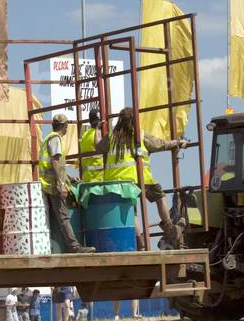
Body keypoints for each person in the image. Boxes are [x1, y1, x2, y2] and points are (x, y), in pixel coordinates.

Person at [95, 108, 188, 248]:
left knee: (133, 211)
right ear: (134, 120)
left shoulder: (111, 136)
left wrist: (97, 129)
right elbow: (160, 144)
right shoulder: (139, 134)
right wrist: (177, 142)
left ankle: (140, 243)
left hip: (116, 183)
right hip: (140, 178)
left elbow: (98, 148)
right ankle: (170, 229)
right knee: (159, 197)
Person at [38, 114, 95, 254]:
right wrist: (62, 183)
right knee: (64, 216)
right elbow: (55, 162)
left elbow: (56, 165)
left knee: (55, 217)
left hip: (47, 183)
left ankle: (60, 247)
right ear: (64, 126)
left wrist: (69, 178)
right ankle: (75, 247)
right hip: (53, 185)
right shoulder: (56, 139)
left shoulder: (48, 138)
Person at [78, 109, 105, 184]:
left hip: (87, 178)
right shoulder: (98, 134)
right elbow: (100, 147)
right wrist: (98, 130)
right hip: (98, 177)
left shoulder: (85, 135)